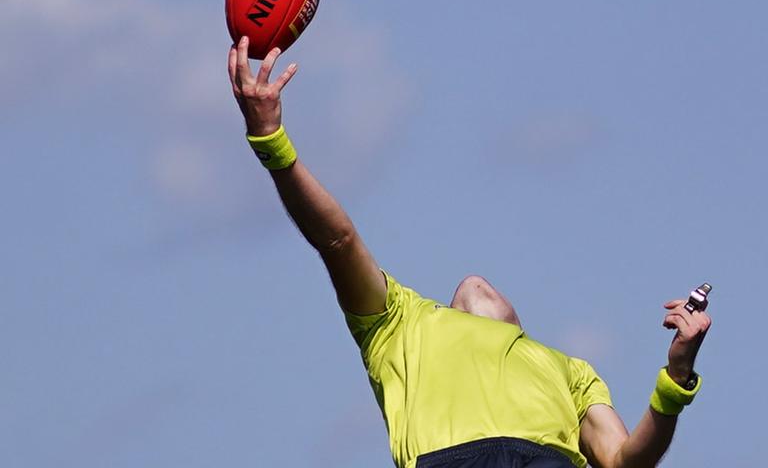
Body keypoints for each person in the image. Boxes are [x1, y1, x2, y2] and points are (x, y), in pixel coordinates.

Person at [228, 38, 712, 468]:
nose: (474, 284)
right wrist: (271, 140)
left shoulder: (570, 370)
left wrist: (677, 375)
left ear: (521, 328)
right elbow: (337, 240)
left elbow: (625, 461)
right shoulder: (397, 323)